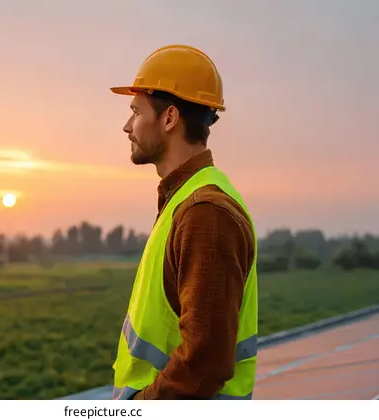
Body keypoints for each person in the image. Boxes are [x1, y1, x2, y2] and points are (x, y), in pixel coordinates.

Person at [109, 45, 259, 400]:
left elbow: (204, 364)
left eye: (135, 111)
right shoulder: (185, 201)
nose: (127, 126)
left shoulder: (205, 213)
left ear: (169, 118)